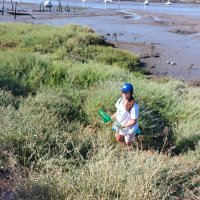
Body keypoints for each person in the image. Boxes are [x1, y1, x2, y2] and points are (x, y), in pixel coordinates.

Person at [111, 83, 139, 149]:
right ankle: (124, 149)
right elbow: (118, 112)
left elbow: (134, 121)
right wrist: (111, 117)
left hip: (129, 128)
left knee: (128, 143)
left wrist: (124, 125)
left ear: (131, 93)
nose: (124, 94)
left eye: (126, 92)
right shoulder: (120, 100)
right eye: (123, 92)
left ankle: (130, 152)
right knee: (118, 139)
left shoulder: (134, 106)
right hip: (119, 125)